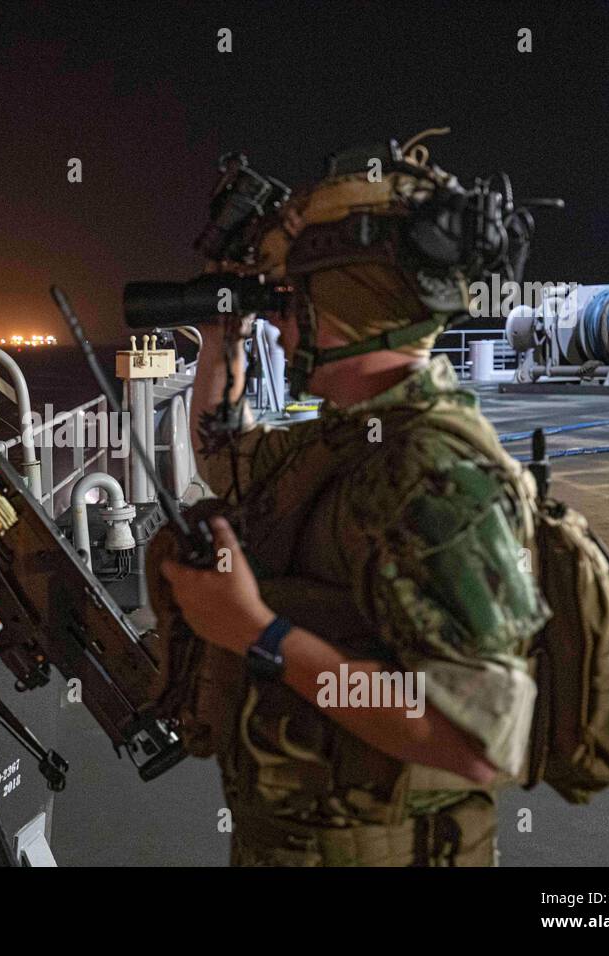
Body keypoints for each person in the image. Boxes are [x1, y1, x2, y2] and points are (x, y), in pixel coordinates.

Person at [158, 136, 548, 866]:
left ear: (344, 304)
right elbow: (223, 459)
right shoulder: (347, 439)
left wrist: (259, 634)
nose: (278, 322)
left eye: (290, 300)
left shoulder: (435, 473)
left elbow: (480, 742)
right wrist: (221, 340)